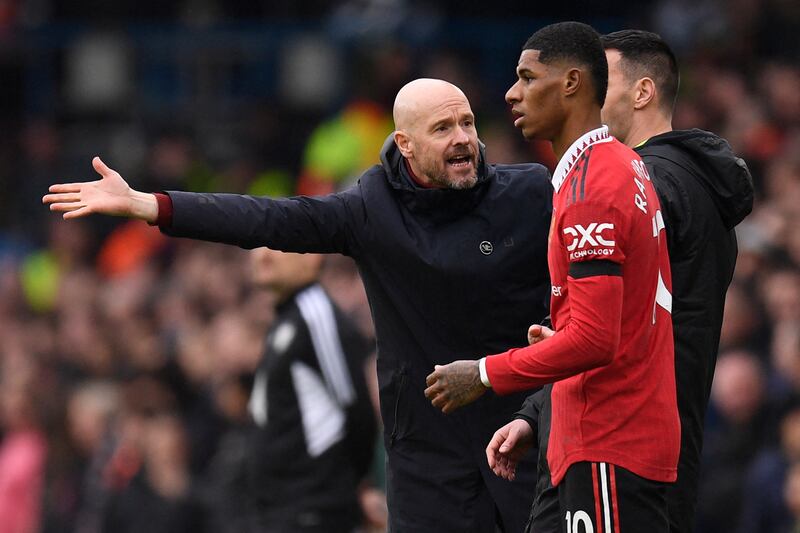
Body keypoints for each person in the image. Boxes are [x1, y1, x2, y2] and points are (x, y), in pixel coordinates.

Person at [43, 78, 553, 532]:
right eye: (443, 128)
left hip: (524, 429)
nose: (463, 138)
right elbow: (268, 220)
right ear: (407, 145)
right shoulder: (372, 208)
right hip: (428, 452)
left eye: (467, 122)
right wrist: (151, 205)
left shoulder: (529, 193)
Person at [483, 29, 755, 533]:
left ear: (643, 92)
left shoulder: (630, 184)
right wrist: (539, 410)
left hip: (616, 437)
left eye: (601, 82)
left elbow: (605, 330)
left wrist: (493, 376)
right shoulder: (667, 182)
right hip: (649, 433)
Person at [425, 22, 680, 531]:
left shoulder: (593, 187)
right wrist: (544, 402)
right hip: (589, 437)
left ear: (571, 83)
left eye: (526, 77)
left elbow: (596, 339)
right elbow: (609, 320)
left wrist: (482, 374)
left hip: (610, 442)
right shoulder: (618, 165)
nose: (511, 92)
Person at [243, 247, 377, 532]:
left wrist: (348, 485)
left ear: (313, 254)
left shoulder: (316, 316)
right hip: (282, 510)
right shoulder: (287, 318)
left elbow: (357, 413)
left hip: (312, 511)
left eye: (276, 243)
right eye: (256, 242)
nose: (262, 254)